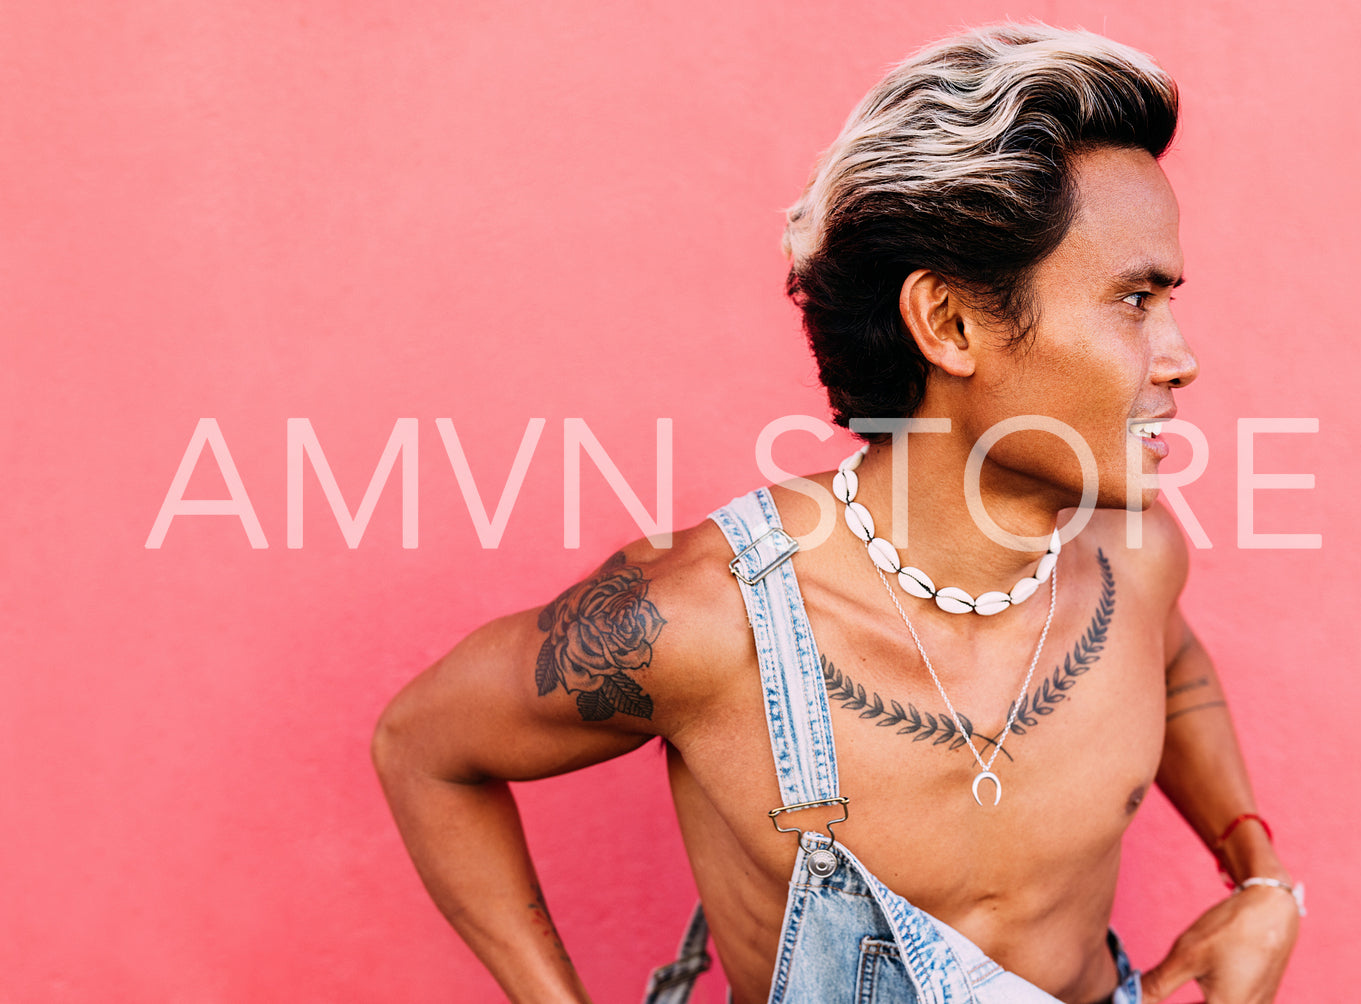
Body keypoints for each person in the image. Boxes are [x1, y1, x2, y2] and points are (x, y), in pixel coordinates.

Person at [372, 23, 1302, 1004]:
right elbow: (422, 743)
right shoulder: (706, 619)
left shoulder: (1135, 557)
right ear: (947, 323)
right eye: (1133, 298)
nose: (1179, 355)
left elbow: (1172, 658)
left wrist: (1256, 875)